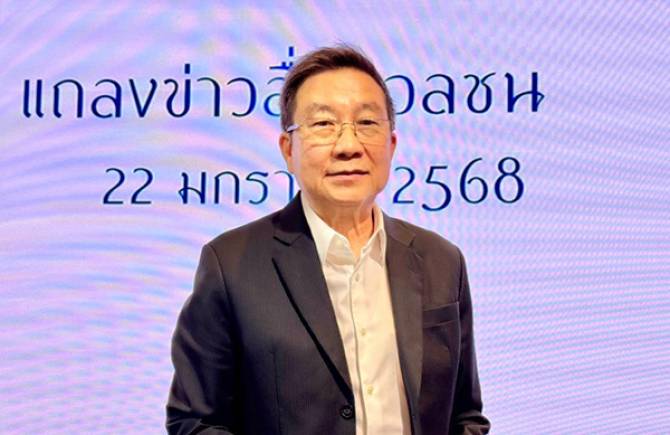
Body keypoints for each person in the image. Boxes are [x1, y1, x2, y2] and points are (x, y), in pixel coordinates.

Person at [166, 45, 490, 435]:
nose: (348, 146)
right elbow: (196, 422)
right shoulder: (231, 265)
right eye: (324, 124)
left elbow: (465, 415)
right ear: (288, 149)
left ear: (391, 145)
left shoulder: (441, 260)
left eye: (366, 123)